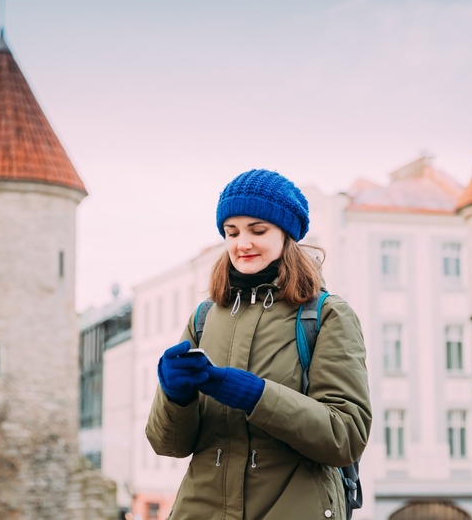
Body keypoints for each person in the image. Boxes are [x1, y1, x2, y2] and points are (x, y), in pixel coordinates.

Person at [145, 168, 372, 520]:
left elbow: (345, 436)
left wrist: (255, 396)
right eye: (231, 232)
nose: (242, 243)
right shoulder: (204, 317)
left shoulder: (327, 315)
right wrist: (175, 396)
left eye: (258, 230)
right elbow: (168, 444)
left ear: (286, 234)